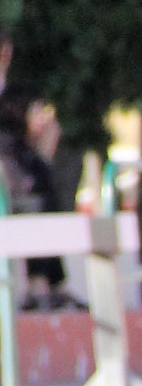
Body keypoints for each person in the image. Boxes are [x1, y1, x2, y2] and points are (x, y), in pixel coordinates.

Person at [0, 83, 79, 310]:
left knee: (45, 205)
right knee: (38, 207)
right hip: (12, 212)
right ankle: (39, 287)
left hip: (21, 209)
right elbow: (24, 188)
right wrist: (43, 157)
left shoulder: (24, 148)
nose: (45, 119)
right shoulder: (6, 145)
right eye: (38, 110)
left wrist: (43, 156)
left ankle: (53, 286)